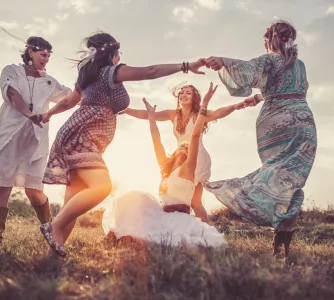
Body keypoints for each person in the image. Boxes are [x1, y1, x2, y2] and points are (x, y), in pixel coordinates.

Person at [38, 32, 206, 257]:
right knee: (102, 187)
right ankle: (54, 227)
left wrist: (48, 113)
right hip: (82, 136)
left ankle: (53, 255)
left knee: (73, 199)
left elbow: (69, 102)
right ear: (113, 53)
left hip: (80, 135)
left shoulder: (89, 76)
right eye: (119, 53)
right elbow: (150, 72)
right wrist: (187, 65)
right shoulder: (110, 72)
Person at [202, 20, 317, 257]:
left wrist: (223, 61)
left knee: (274, 172)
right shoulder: (300, 64)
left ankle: (239, 192)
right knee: (292, 180)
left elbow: (247, 73)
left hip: (275, 121)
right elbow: (290, 88)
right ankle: (282, 244)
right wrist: (263, 95)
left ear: (269, 41)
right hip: (304, 122)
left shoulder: (269, 60)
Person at [102, 83, 228, 247]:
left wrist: (205, 103)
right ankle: (120, 235)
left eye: (187, 147)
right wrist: (151, 116)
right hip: (163, 215)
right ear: (174, 151)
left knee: (170, 236)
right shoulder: (166, 170)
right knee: (133, 198)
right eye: (182, 145)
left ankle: (134, 240)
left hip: (180, 219)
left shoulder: (188, 170)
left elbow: (195, 136)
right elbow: (156, 140)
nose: (184, 145)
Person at [0, 36, 71, 244]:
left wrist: (90, 83)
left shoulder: (50, 82)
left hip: (35, 141)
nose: (46, 59)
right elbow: (13, 95)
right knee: (3, 187)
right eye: (42, 55)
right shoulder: (12, 71)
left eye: (48, 56)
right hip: (9, 136)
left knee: (34, 191)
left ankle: (51, 231)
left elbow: (71, 98)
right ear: (30, 51)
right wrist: (30, 115)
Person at [122, 85, 256, 222]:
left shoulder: (199, 115)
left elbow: (217, 113)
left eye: (188, 93)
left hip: (197, 157)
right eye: (181, 92)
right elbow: (149, 115)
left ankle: (204, 229)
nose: (183, 95)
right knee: (172, 189)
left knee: (195, 202)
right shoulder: (173, 114)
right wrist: (125, 110)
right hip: (180, 156)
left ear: (194, 98)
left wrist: (235, 106)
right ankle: (178, 219)